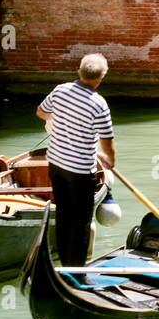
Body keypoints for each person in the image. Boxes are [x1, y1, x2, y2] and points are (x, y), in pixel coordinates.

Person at [36, 53, 115, 267]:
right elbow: (107, 140)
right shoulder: (99, 103)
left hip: (56, 165)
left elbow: (41, 112)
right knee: (80, 223)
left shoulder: (60, 90)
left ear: (80, 71)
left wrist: (62, 118)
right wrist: (110, 159)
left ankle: (63, 265)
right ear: (100, 78)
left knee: (63, 215)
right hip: (80, 171)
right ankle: (76, 271)